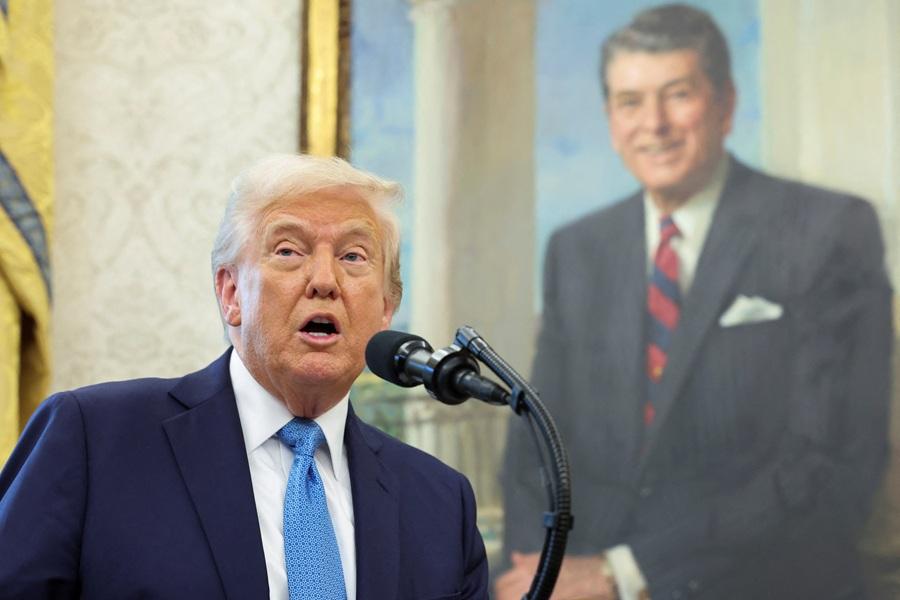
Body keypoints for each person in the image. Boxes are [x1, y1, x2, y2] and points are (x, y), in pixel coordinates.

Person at [497, 4, 893, 600]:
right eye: (631, 102)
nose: (653, 124)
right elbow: (535, 444)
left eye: (678, 94)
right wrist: (537, 573)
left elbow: (828, 465)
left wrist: (625, 574)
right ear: (610, 119)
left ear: (725, 104)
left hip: (764, 584)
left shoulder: (827, 231)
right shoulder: (577, 249)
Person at [0, 154, 488, 599]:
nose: (324, 280)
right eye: (289, 251)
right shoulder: (94, 440)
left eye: (353, 256)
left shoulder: (441, 505)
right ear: (231, 293)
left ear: (385, 309)